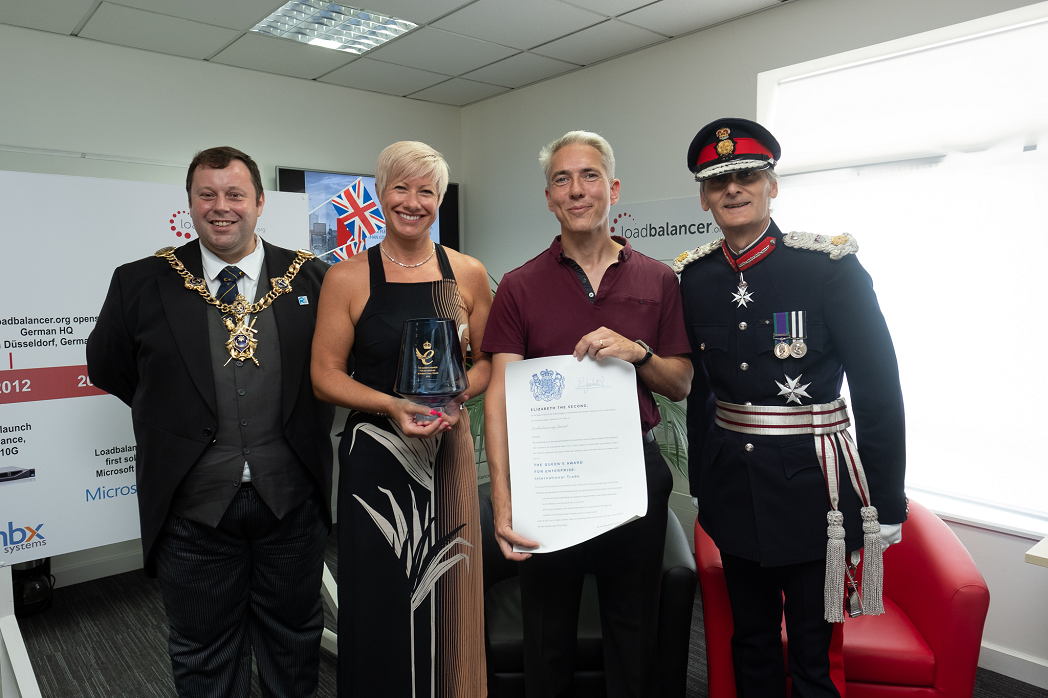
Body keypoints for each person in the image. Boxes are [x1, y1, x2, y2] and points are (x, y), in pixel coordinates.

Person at [87, 146, 334, 697]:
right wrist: (177, 413)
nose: (221, 207)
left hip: (292, 505)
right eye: (207, 195)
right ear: (191, 204)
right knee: (202, 651)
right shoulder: (141, 282)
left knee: (293, 640)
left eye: (235, 194)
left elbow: (340, 365)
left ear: (260, 203)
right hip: (193, 511)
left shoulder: (315, 278)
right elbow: (108, 366)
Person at [674, 118, 907, 697]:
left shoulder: (828, 269)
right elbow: (704, 391)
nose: (733, 188)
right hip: (733, 492)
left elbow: (879, 391)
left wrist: (885, 501)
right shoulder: (694, 279)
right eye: (718, 180)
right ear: (704, 196)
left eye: (747, 175)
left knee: (811, 654)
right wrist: (703, 482)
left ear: (772, 184)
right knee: (749, 645)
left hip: (815, 499)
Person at [482, 131, 693, 698]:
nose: (577, 190)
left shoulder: (658, 279)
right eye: (562, 179)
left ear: (613, 189)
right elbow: (498, 395)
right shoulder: (521, 286)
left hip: (634, 476)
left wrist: (639, 353)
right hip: (549, 480)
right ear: (549, 199)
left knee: (634, 628)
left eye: (589, 176)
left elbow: (681, 382)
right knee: (546, 630)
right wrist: (504, 501)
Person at [310, 141, 493, 697]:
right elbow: (325, 376)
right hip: (377, 463)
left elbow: (487, 361)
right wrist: (391, 403)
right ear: (379, 192)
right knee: (380, 601)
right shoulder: (346, 278)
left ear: (438, 200)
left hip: (448, 458)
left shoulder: (468, 273)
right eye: (400, 188)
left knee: (450, 595)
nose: (413, 202)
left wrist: (460, 396)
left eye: (427, 191)